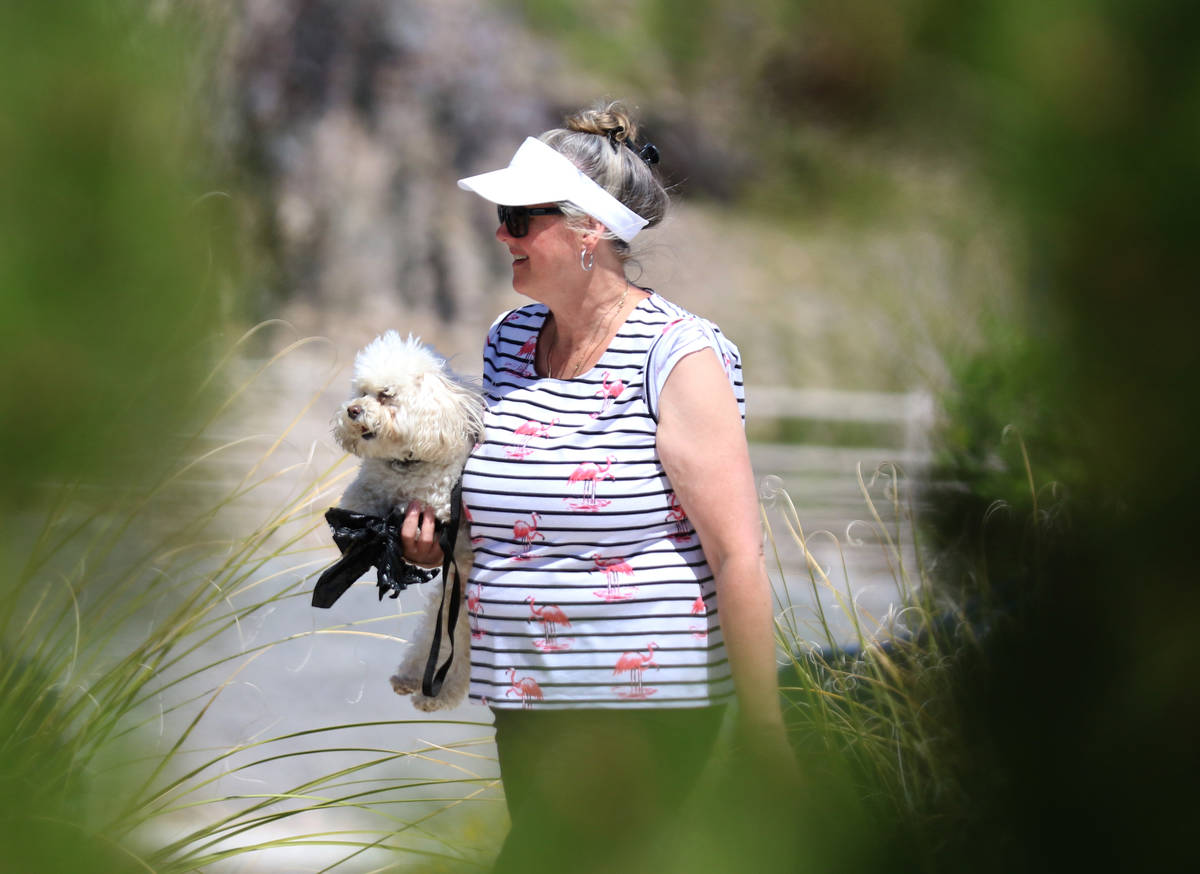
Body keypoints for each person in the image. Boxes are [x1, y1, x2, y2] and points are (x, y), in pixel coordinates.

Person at [400, 101, 793, 873]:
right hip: (525, 690)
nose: (502, 233)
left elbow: (739, 555)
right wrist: (431, 540)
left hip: (644, 699)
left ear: (590, 230)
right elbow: (508, 509)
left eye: (519, 216)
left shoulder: (679, 355)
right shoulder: (511, 341)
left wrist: (765, 730)